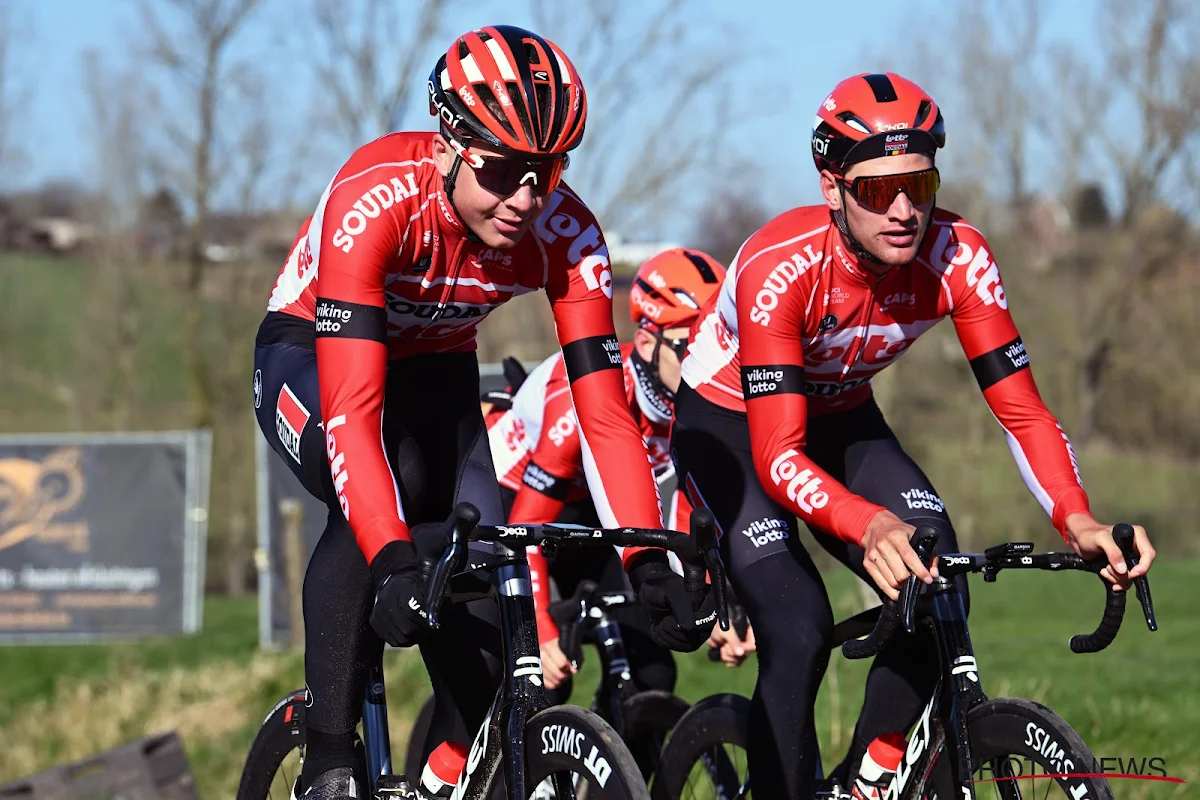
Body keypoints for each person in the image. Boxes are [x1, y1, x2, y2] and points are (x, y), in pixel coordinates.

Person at [251, 26, 715, 799]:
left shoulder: (567, 236)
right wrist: (394, 564)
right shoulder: (376, 199)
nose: (526, 199)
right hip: (311, 355)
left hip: (436, 365)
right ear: (446, 146)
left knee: (486, 563)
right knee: (389, 489)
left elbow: (607, 419)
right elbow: (354, 419)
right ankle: (328, 760)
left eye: (547, 171)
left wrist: (644, 560)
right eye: (502, 173)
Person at [669, 72, 1158, 799]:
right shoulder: (781, 266)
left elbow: (1021, 408)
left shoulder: (960, 255)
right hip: (735, 428)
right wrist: (866, 524)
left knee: (935, 569)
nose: (902, 211)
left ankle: (872, 775)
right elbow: (777, 456)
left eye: (920, 186)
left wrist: (1076, 515)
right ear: (832, 185)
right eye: (875, 191)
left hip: (841, 415)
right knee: (799, 625)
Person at [484, 248, 752, 697]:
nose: (708, 358)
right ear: (648, 343)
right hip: (511, 502)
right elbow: (527, 523)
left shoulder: (695, 402)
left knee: (651, 676)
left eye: (719, 343)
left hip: (589, 507)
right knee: (536, 680)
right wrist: (541, 628)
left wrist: (712, 600)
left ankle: (605, 765)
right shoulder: (583, 396)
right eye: (691, 344)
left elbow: (691, 512)